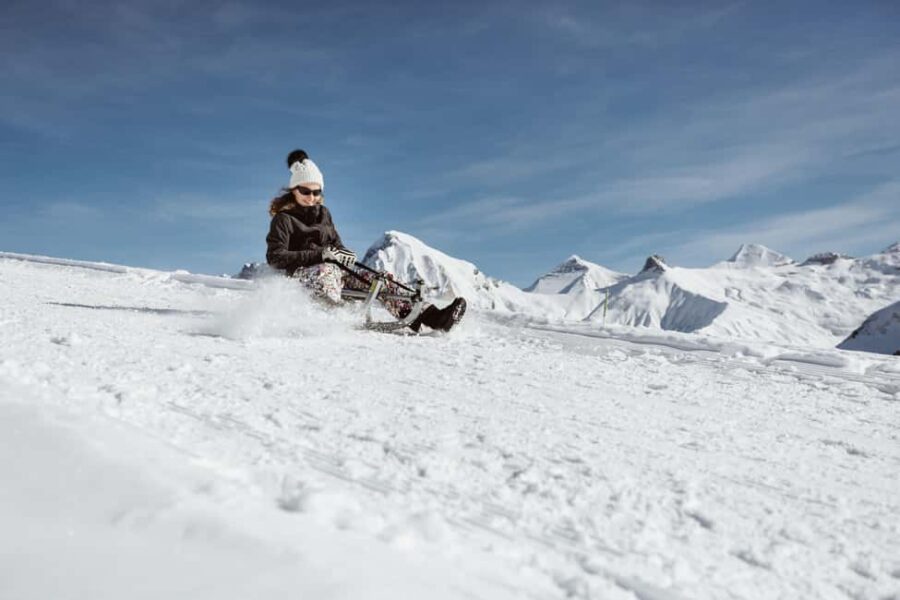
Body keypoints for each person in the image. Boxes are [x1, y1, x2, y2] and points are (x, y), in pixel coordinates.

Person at [265, 149, 466, 332]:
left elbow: (336, 244)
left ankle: (432, 317)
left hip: (334, 270)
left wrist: (344, 253)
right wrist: (320, 254)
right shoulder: (283, 219)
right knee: (326, 271)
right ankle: (335, 321)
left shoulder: (324, 214)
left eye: (316, 192)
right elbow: (275, 257)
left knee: (379, 279)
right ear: (294, 190)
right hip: (304, 274)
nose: (311, 197)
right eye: (305, 192)